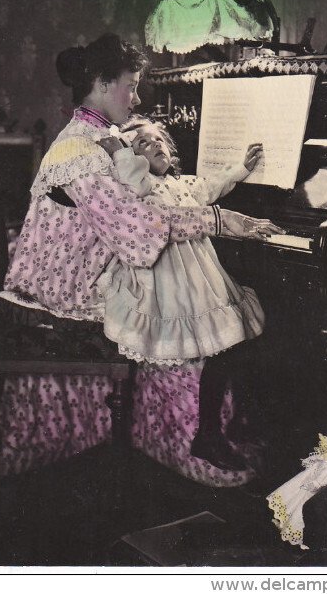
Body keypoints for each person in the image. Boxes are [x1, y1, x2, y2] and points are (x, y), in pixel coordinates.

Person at [0, 32, 282, 467]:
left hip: (93, 268)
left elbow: (144, 204)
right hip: (63, 292)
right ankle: (190, 447)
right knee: (181, 310)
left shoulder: (99, 134)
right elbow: (136, 232)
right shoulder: (78, 152)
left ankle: (214, 431)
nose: (135, 97)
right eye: (130, 85)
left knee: (189, 296)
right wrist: (221, 221)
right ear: (102, 83)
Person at [96, 116, 284, 470]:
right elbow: (131, 182)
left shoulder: (181, 184)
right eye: (142, 145)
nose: (154, 147)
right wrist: (121, 151)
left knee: (231, 343)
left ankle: (224, 427)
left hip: (202, 275)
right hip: (171, 280)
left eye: (157, 140)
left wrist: (240, 168)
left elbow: (211, 188)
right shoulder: (144, 186)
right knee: (217, 345)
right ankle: (208, 432)